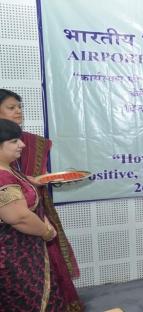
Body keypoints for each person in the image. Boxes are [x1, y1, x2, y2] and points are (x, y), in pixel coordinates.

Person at [0, 89, 83, 310]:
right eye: (11, 107)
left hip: (29, 242)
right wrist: (46, 232)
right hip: (13, 251)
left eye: (19, 106)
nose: (23, 145)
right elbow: (18, 216)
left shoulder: (8, 168)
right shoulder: (2, 176)